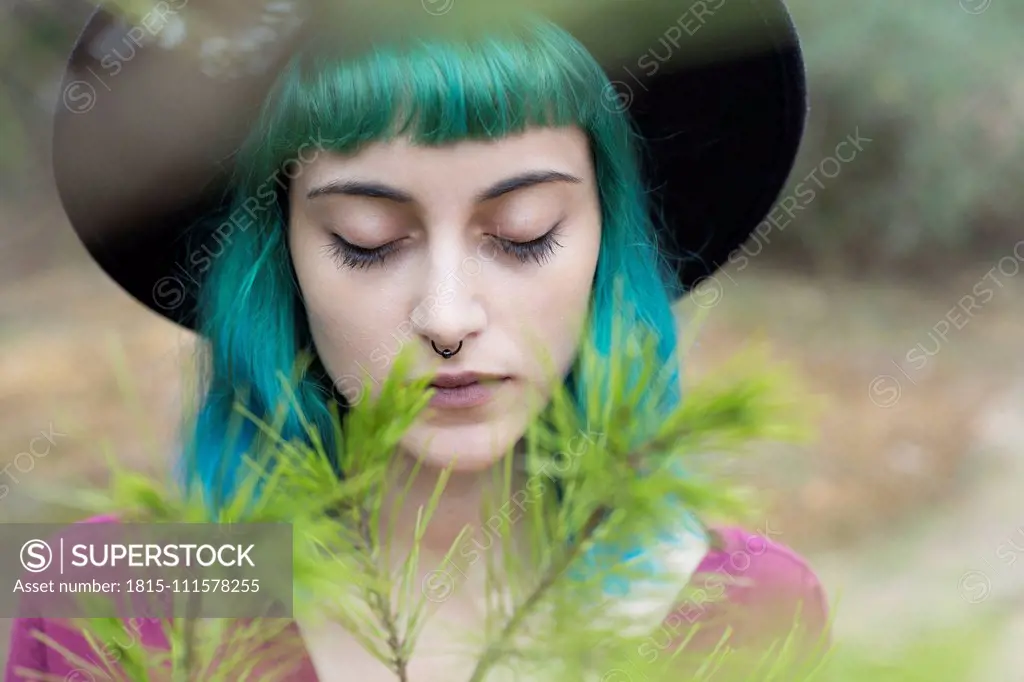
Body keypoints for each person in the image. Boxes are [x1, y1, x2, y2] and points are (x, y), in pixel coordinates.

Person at [6, 0, 828, 680]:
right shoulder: (99, 594)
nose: (446, 317)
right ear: (282, 256)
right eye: (366, 240)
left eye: (523, 232)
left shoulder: (747, 609)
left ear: (606, 247)